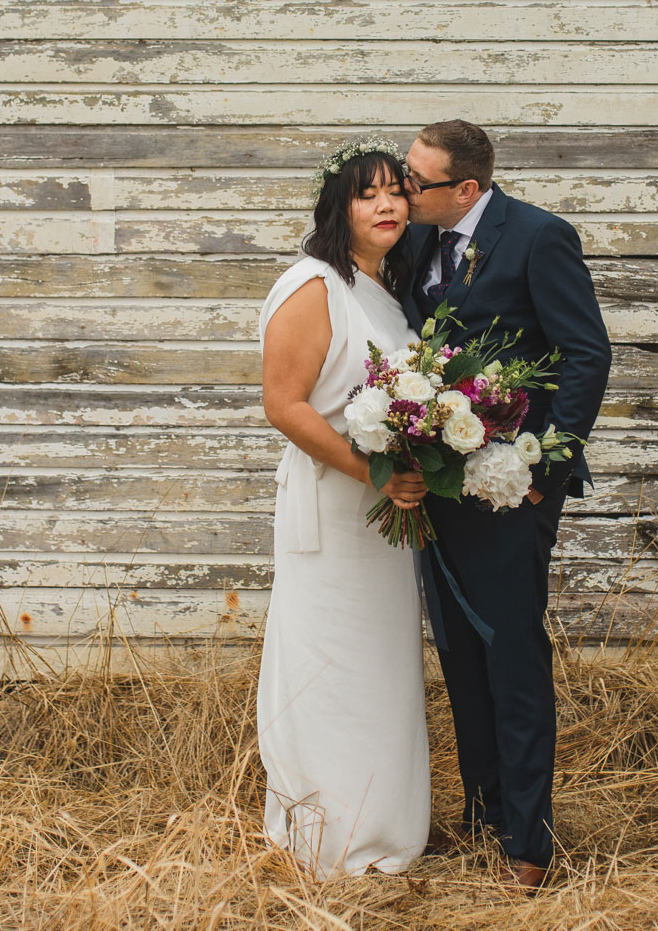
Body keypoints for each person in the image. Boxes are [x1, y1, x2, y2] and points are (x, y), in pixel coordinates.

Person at [395, 119, 612, 890]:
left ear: (468, 189)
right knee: (459, 651)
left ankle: (529, 837)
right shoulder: (418, 240)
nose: (402, 187)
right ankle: (483, 814)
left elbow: (587, 352)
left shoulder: (540, 237)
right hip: (436, 486)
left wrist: (539, 468)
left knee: (513, 652)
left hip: (509, 488)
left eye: (416, 179)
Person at [256, 138, 432, 876]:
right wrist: (372, 472)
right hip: (334, 507)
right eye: (369, 193)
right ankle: (329, 837)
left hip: (384, 514)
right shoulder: (314, 284)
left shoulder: (384, 292)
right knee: (332, 661)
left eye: (398, 190)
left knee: (381, 663)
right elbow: (284, 404)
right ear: (339, 208)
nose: (388, 203)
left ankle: (385, 827)